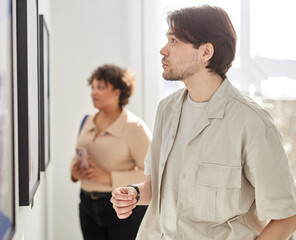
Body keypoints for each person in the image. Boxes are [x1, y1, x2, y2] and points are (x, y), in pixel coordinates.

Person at [110, 5, 296, 240]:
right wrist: (134, 193)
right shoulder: (166, 110)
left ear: (206, 52)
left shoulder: (253, 123)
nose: (163, 50)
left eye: (174, 41)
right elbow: (157, 188)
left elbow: (288, 215)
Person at [71, 64, 151, 240]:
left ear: (117, 92)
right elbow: (77, 155)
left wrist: (109, 177)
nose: (93, 92)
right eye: (92, 87)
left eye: (100, 87)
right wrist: (75, 172)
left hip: (123, 209)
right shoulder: (87, 121)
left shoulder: (134, 127)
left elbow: (151, 175)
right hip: (87, 206)